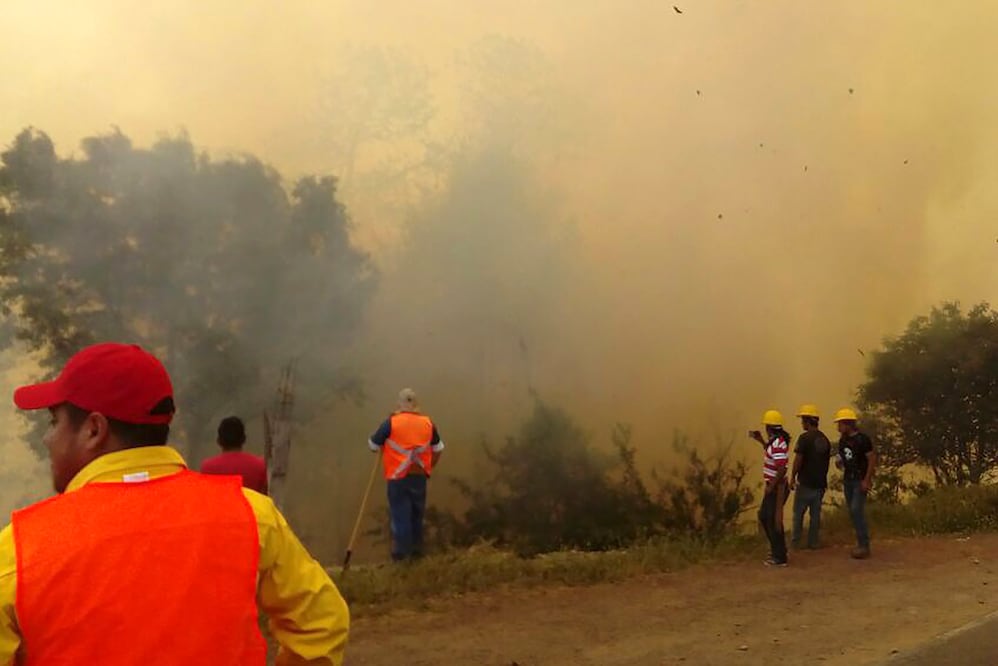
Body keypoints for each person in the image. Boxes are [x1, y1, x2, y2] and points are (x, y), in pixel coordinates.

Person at [0, 343, 349, 665]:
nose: (48, 438)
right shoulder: (250, 515)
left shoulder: (21, 548)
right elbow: (321, 623)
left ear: (94, 429)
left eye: (53, 421)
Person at [368, 388, 444, 562]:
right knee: (417, 515)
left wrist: (385, 437)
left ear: (399, 405)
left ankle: (402, 558)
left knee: (400, 515)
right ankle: (417, 555)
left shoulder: (391, 423)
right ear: (416, 405)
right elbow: (439, 449)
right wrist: (429, 466)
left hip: (398, 477)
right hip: (419, 476)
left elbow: (372, 445)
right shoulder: (427, 423)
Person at [749, 409, 791, 567]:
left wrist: (771, 485)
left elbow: (782, 469)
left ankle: (779, 556)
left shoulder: (778, 443)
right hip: (774, 487)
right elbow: (772, 454)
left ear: (769, 428)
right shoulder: (776, 442)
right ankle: (778, 551)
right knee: (767, 517)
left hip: (776, 488)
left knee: (770, 519)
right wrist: (760, 441)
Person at [834, 407, 876, 559]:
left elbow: (871, 459)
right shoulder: (843, 441)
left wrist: (867, 479)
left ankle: (864, 545)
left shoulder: (863, 440)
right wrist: (839, 463)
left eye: (840, 424)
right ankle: (860, 542)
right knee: (853, 512)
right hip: (848, 479)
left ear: (848, 424)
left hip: (859, 479)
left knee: (856, 509)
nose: (838, 427)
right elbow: (843, 458)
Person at [789, 404, 831, 550]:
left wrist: (792, 477)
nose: (801, 423)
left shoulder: (804, 438)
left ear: (807, 421)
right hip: (820, 484)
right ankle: (813, 543)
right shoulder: (824, 439)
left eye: (803, 420)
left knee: (798, 514)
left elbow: (798, 460)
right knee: (815, 516)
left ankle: (795, 543)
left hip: (805, 483)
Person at [200, 415, 269, 494]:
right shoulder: (259, 466)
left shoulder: (208, 468)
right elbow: (264, 499)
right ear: (244, 439)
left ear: (219, 441)